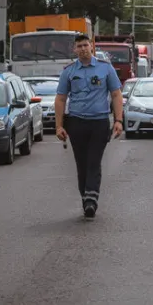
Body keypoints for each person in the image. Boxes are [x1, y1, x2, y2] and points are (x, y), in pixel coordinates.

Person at [54, 34, 123, 219]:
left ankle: (91, 199)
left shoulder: (105, 68)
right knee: (82, 163)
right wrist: (59, 126)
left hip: (99, 122)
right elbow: (61, 99)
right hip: (76, 122)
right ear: (74, 49)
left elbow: (116, 94)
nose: (83, 49)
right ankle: (85, 197)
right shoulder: (68, 71)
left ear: (91, 47)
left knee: (94, 161)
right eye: (79, 46)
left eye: (85, 45)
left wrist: (118, 120)